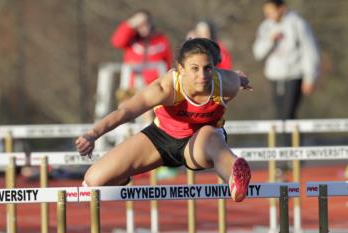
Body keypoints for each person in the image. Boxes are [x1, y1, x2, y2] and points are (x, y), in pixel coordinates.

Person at [76, 38, 252, 202]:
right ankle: (121, 174)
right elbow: (125, 111)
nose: (202, 76)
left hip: (199, 143)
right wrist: (93, 134)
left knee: (209, 134)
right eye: (194, 69)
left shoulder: (227, 83)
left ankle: (234, 175)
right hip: (160, 138)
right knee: (93, 181)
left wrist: (240, 80)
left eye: (208, 68)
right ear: (180, 69)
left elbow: (238, 79)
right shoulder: (165, 88)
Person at [253, 0, 320, 122]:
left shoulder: (298, 24)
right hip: (274, 77)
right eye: (266, 13)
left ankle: (291, 141)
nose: (268, 16)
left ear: (281, 9)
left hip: (294, 75)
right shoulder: (265, 26)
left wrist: (310, 77)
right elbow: (258, 54)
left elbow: (310, 50)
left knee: (288, 114)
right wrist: (270, 41)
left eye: (271, 11)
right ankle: (283, 141)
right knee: (279, 116)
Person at [111, 9, 172, 89]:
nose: (143, 26)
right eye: (139, 24)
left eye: (146, 23)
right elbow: (117, 42)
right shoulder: (130, 39)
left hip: (156, 87)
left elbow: (167, 62)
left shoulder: (161, 40)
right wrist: (130, 24)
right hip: (132, 87)